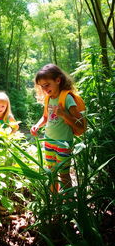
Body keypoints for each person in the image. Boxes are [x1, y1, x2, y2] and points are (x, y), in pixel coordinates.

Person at [30, 63, 85, 191]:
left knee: (64, 175)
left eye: (47, 85)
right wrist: (37, 125)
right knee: (51, 174)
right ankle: (55, 202)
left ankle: (68, 204)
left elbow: (80, 124)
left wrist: (64, 114)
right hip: (48, 141)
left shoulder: (67, 98)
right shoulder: (48, 99)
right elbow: (45, 117)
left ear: (58, 80)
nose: (44, 89)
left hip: (64, 143)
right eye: (42, 86)